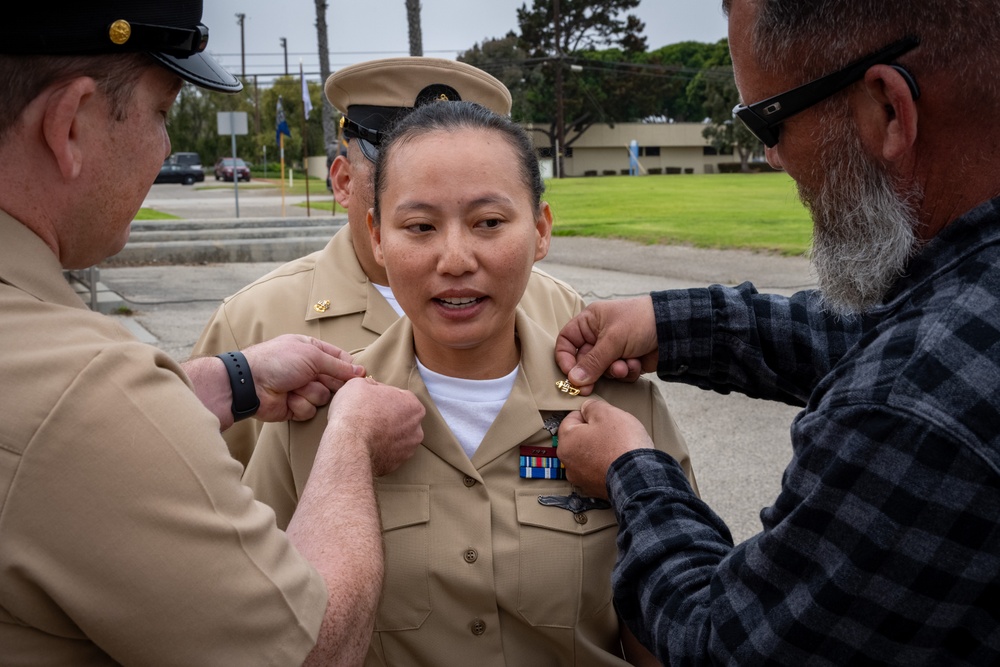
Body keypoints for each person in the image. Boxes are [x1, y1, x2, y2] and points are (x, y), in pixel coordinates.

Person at [553, 0, 1000, 664]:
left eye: (770, 120)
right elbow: (897, 335)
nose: (770, 158)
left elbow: (721, 643)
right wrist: (672, 324)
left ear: (887, 109)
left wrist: (630, 468)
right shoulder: (961, 314)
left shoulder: (913, 409)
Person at [0, 3, 426, 664]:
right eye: (162, 113)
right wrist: (350, 441)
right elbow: (311, 649)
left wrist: (225, 381)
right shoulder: (92, 391)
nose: (165, 146)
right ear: (71, 122)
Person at [243, 100, 697, 666]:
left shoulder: (623, 408)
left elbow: (671, 632)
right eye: (420, 227)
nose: (455, 259)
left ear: (540, 231)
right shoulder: (316, 416)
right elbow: (257, 624)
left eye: (488, 222)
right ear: (377, 236)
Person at [192, 56, 584, 468]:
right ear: (343, 181)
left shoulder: (559, 308)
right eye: (397, 163)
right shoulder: (252, 319)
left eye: (487, 220)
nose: (454, 259)